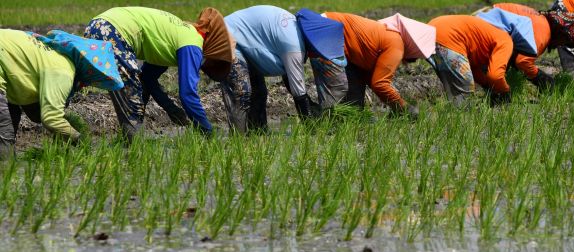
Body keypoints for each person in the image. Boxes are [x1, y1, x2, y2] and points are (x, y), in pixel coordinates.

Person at [85, 6, 234, 140]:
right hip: (111, 30)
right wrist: (207, 132)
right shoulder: (193, 44)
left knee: (85, 80)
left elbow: (148, 79)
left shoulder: (177, 35)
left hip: (98, 24)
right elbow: (188, 94)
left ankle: (129, 140)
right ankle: (132, 144)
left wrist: (171, 109)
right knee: (131, 93)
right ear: (213, 42)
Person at [0, 29, 124, 159]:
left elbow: (36, 112)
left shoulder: (55, 55)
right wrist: (82, 142)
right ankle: (6, 168)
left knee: (11, 114)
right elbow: (51, 119)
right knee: (4, 131)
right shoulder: (63, 71)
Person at [221, 6, 346, 133]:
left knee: (259, 92)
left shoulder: (295, 32)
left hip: (246, 41)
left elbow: (290, 79)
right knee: (242, 92)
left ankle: (257, 135)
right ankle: (238, 142)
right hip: (225, 36)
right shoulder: (294, 45)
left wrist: (309, 104)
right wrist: (311, 128)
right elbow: (298, 93)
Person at [323, 12, 435, 119]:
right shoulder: (396, 44)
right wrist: (404, 107)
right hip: (327, 32)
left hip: (327, 26)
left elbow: (369, 77)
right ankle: (319, 118)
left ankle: (344, 118)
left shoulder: (387, 35)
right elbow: (380, 84)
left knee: (354, 99)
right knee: (336, 93)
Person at [490, 3, 574, 90]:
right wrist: (540, 77)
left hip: (491, 19)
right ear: (560, 33)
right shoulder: (542, 35)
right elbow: (522, 61)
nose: (562, 45)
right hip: (489, 27)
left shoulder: (541, 21)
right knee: (493, 74)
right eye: (566, 41)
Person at [427, 15, 514, 106]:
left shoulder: (488, 36)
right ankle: (462, 116)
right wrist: (505, 92)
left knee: (452, 85)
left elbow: (474, 69)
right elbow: (495, 76)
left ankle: (453, 114)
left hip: (429, 31)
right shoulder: (506, 40)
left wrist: (488, 86)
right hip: (448, 36)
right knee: (465, 88)